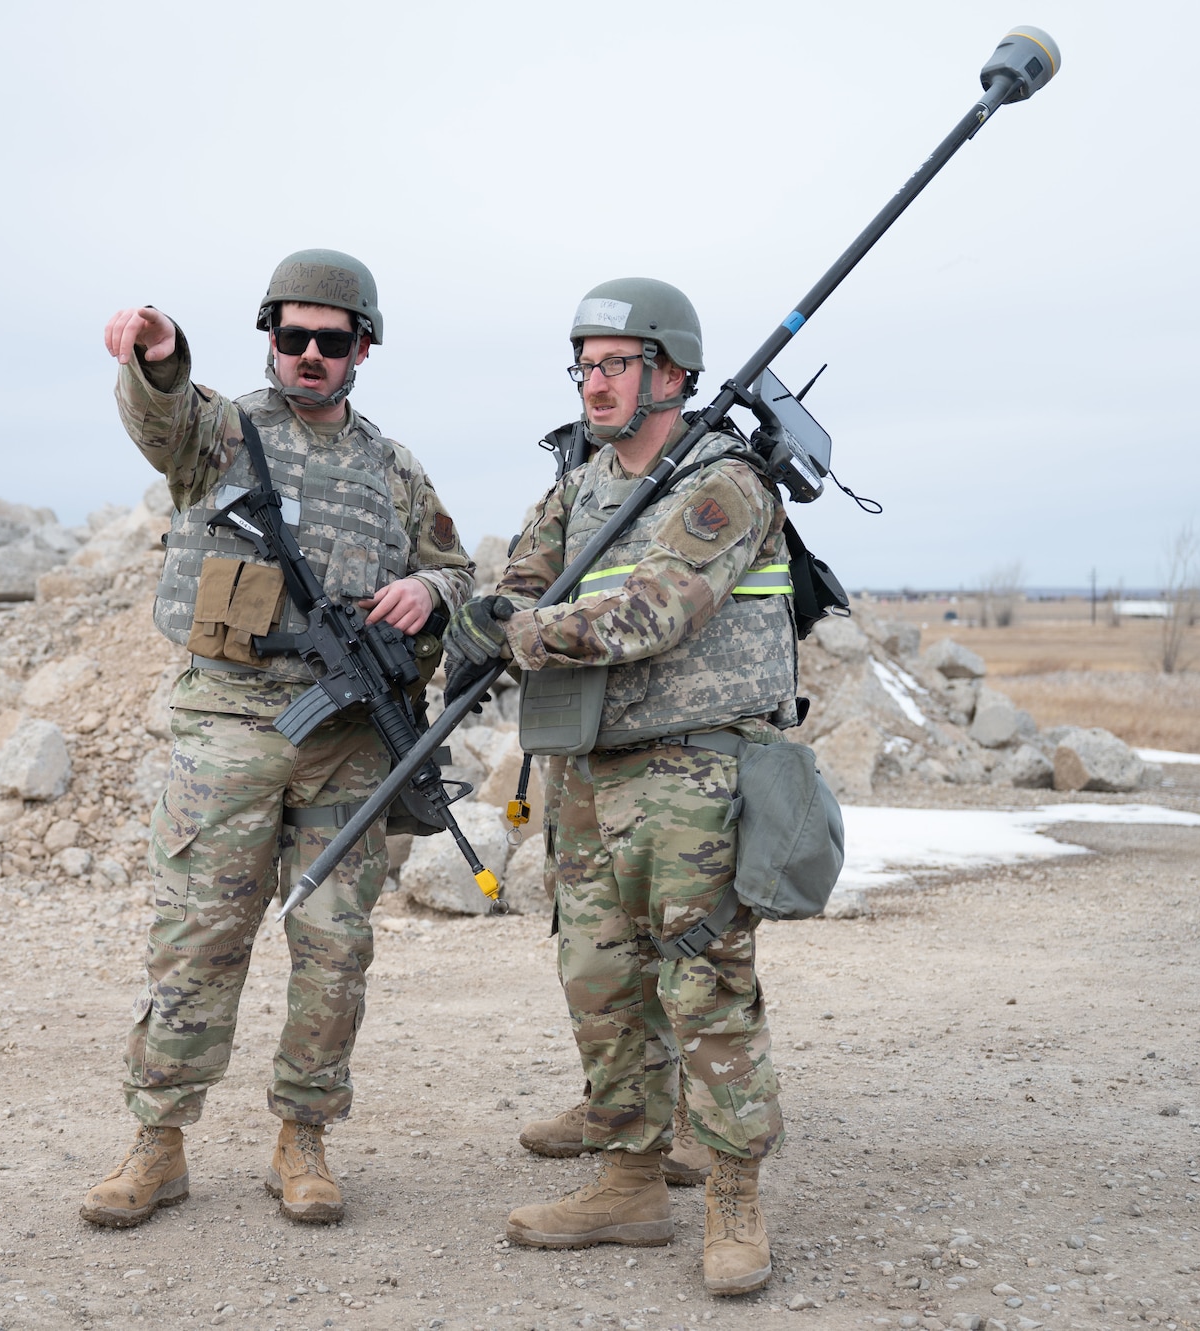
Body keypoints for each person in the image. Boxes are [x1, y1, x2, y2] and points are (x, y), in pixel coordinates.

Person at [81, 249, 474, 1229]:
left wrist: (428, 590)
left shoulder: (392, 468)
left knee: (335, 944)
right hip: (230, 718)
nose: (306, 353)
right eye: (289, 335)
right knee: (199, 933)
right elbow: (161, 417)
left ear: (361, 349)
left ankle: (303, 1135)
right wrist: (160, 358)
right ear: (268, 336)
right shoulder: (224, 435)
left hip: (348, 738)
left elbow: (459, 570)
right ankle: (157, 1141)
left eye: (328, 340)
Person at [442, 278, 796, 1296]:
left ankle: (731, 1191)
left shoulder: (722, 484)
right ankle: (630, 1178)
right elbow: (522, 574)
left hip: (696, 767)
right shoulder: (582, 486)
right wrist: (487, 611)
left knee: (705, 980)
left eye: (614, 363)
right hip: (589, 764)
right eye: (583, 364)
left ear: (670, 373)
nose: (593, 382)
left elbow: (652, 614)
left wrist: (517, 632)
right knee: (598, 976)